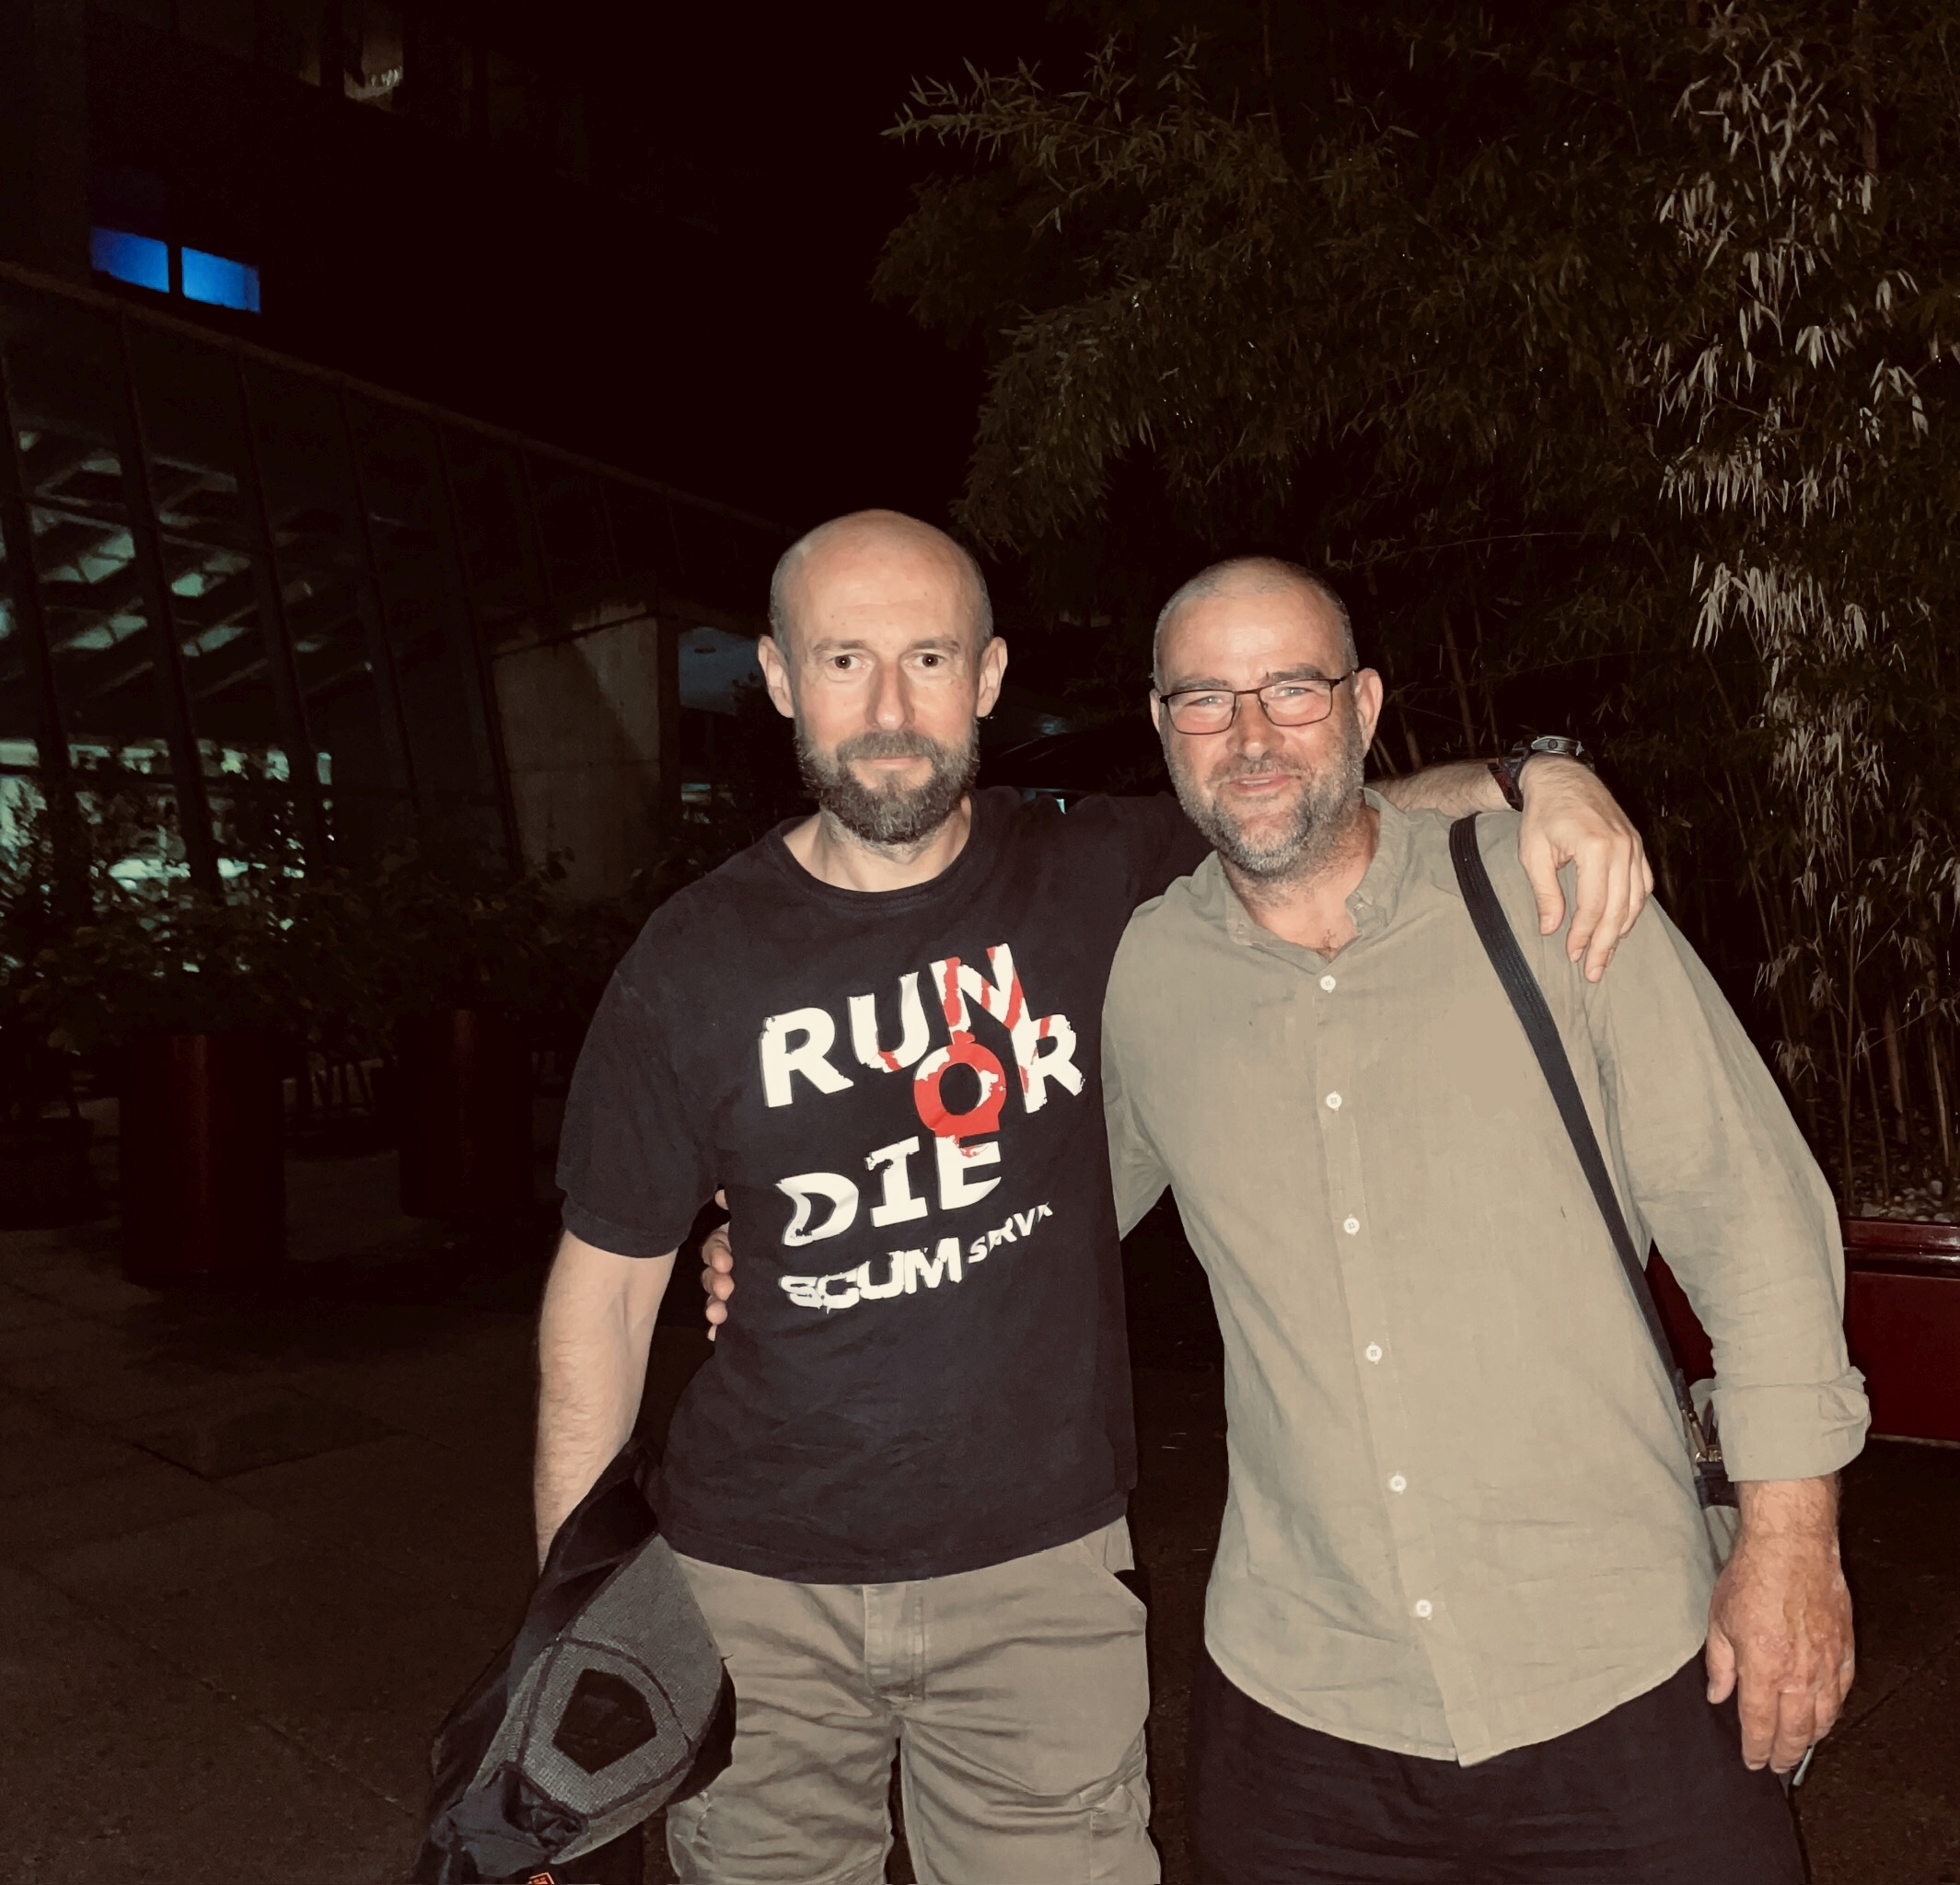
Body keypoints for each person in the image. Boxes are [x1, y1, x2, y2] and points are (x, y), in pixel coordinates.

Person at [537, 510, 1653, 1885]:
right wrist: (576, 1622)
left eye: (928, 659)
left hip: (1039, 1584)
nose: (888, 711)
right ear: (777, 678)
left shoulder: (1094, 870)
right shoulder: (689, 961)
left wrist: (1537, 777)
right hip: (751, 1590)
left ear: (989, 678)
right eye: (843, 661)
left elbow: (1314, 817)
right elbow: (600, 1302)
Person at [1095, 558, 1870, 1882]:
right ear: (1162, 725)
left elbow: (1751, 1220)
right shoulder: (1142, 976)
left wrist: (1792, 1544)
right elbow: (1028, 1222)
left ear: (1365, 705)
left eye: (1293, 688)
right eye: (1206, 699)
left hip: (1618, 1663)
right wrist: (770, 1240)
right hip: (1305, 1697)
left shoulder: (1544, 888)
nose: (1254, 733)